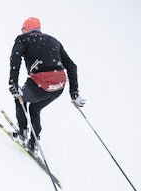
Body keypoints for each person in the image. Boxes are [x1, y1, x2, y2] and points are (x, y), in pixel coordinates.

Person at [9, 17, 86, 150]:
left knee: (19, 97)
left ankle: (22, 133)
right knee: (34, 108)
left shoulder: (23, 39)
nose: (22, 33)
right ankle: (34, 141)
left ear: (26, 29)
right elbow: (72, 66)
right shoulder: (54, 41)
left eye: (23, 30)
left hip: (41, 84)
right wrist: (74, 93)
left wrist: (13, 83)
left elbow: (15, 59)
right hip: (58, 86)